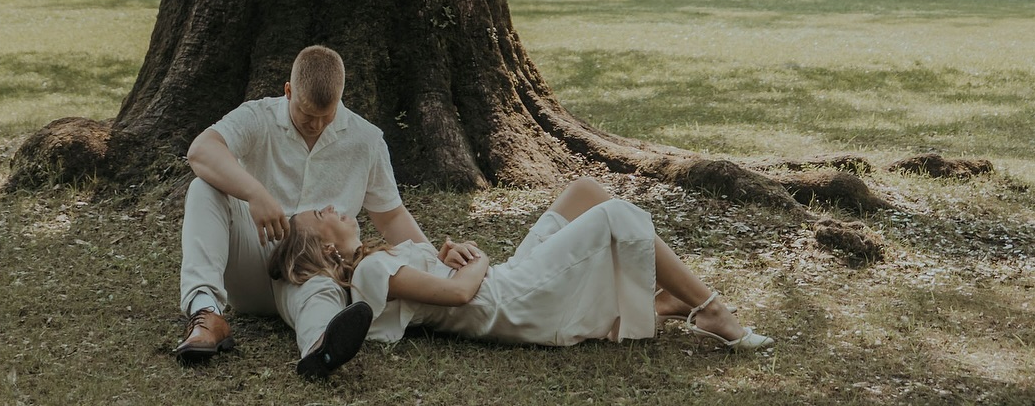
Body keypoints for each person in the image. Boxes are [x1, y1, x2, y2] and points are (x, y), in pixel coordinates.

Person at [176, 43, 461, 378]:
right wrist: (255, 193)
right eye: (307, 114)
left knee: (323, 285)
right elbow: (201, 150)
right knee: (203, 188)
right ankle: (206, 315)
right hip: (255, 262)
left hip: (316, 268)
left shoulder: (366, 140)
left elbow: (391, 216)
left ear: (341, 98)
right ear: (288, 91)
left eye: (327, 115)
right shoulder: (258, 117)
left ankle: (320, 347)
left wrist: (434, 263)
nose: (316, 125)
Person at [268, 174, 773, 356]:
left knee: (584, 192)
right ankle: (710, 309)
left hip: (504, 281)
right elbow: (460, 295)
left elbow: (440, 284)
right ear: (327, 250)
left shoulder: (377, 263)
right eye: (320, 214)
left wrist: (448, 255)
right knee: (617, 214)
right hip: (509, 300)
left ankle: (656, 301)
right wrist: (479, 259)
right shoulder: (368, 272)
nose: (331, 207)